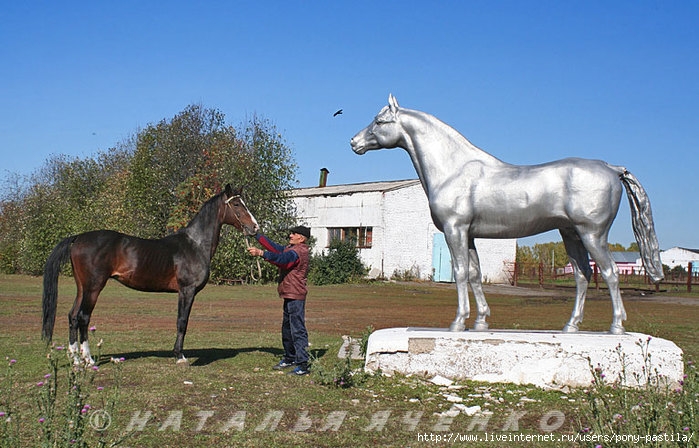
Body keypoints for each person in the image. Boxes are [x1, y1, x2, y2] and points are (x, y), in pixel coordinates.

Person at [247, 225, 311, 375]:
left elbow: (283, 260)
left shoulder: (298, 252)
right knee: (287, 329)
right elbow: (275, 248)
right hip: (289, 294)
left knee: (298, 330)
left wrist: (261, 253)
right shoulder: (291, 248)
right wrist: (257, 235)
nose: (290, 235)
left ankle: (303, 365)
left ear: (301, 238)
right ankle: (290, 358)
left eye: (293, 234)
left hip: (295, 295)